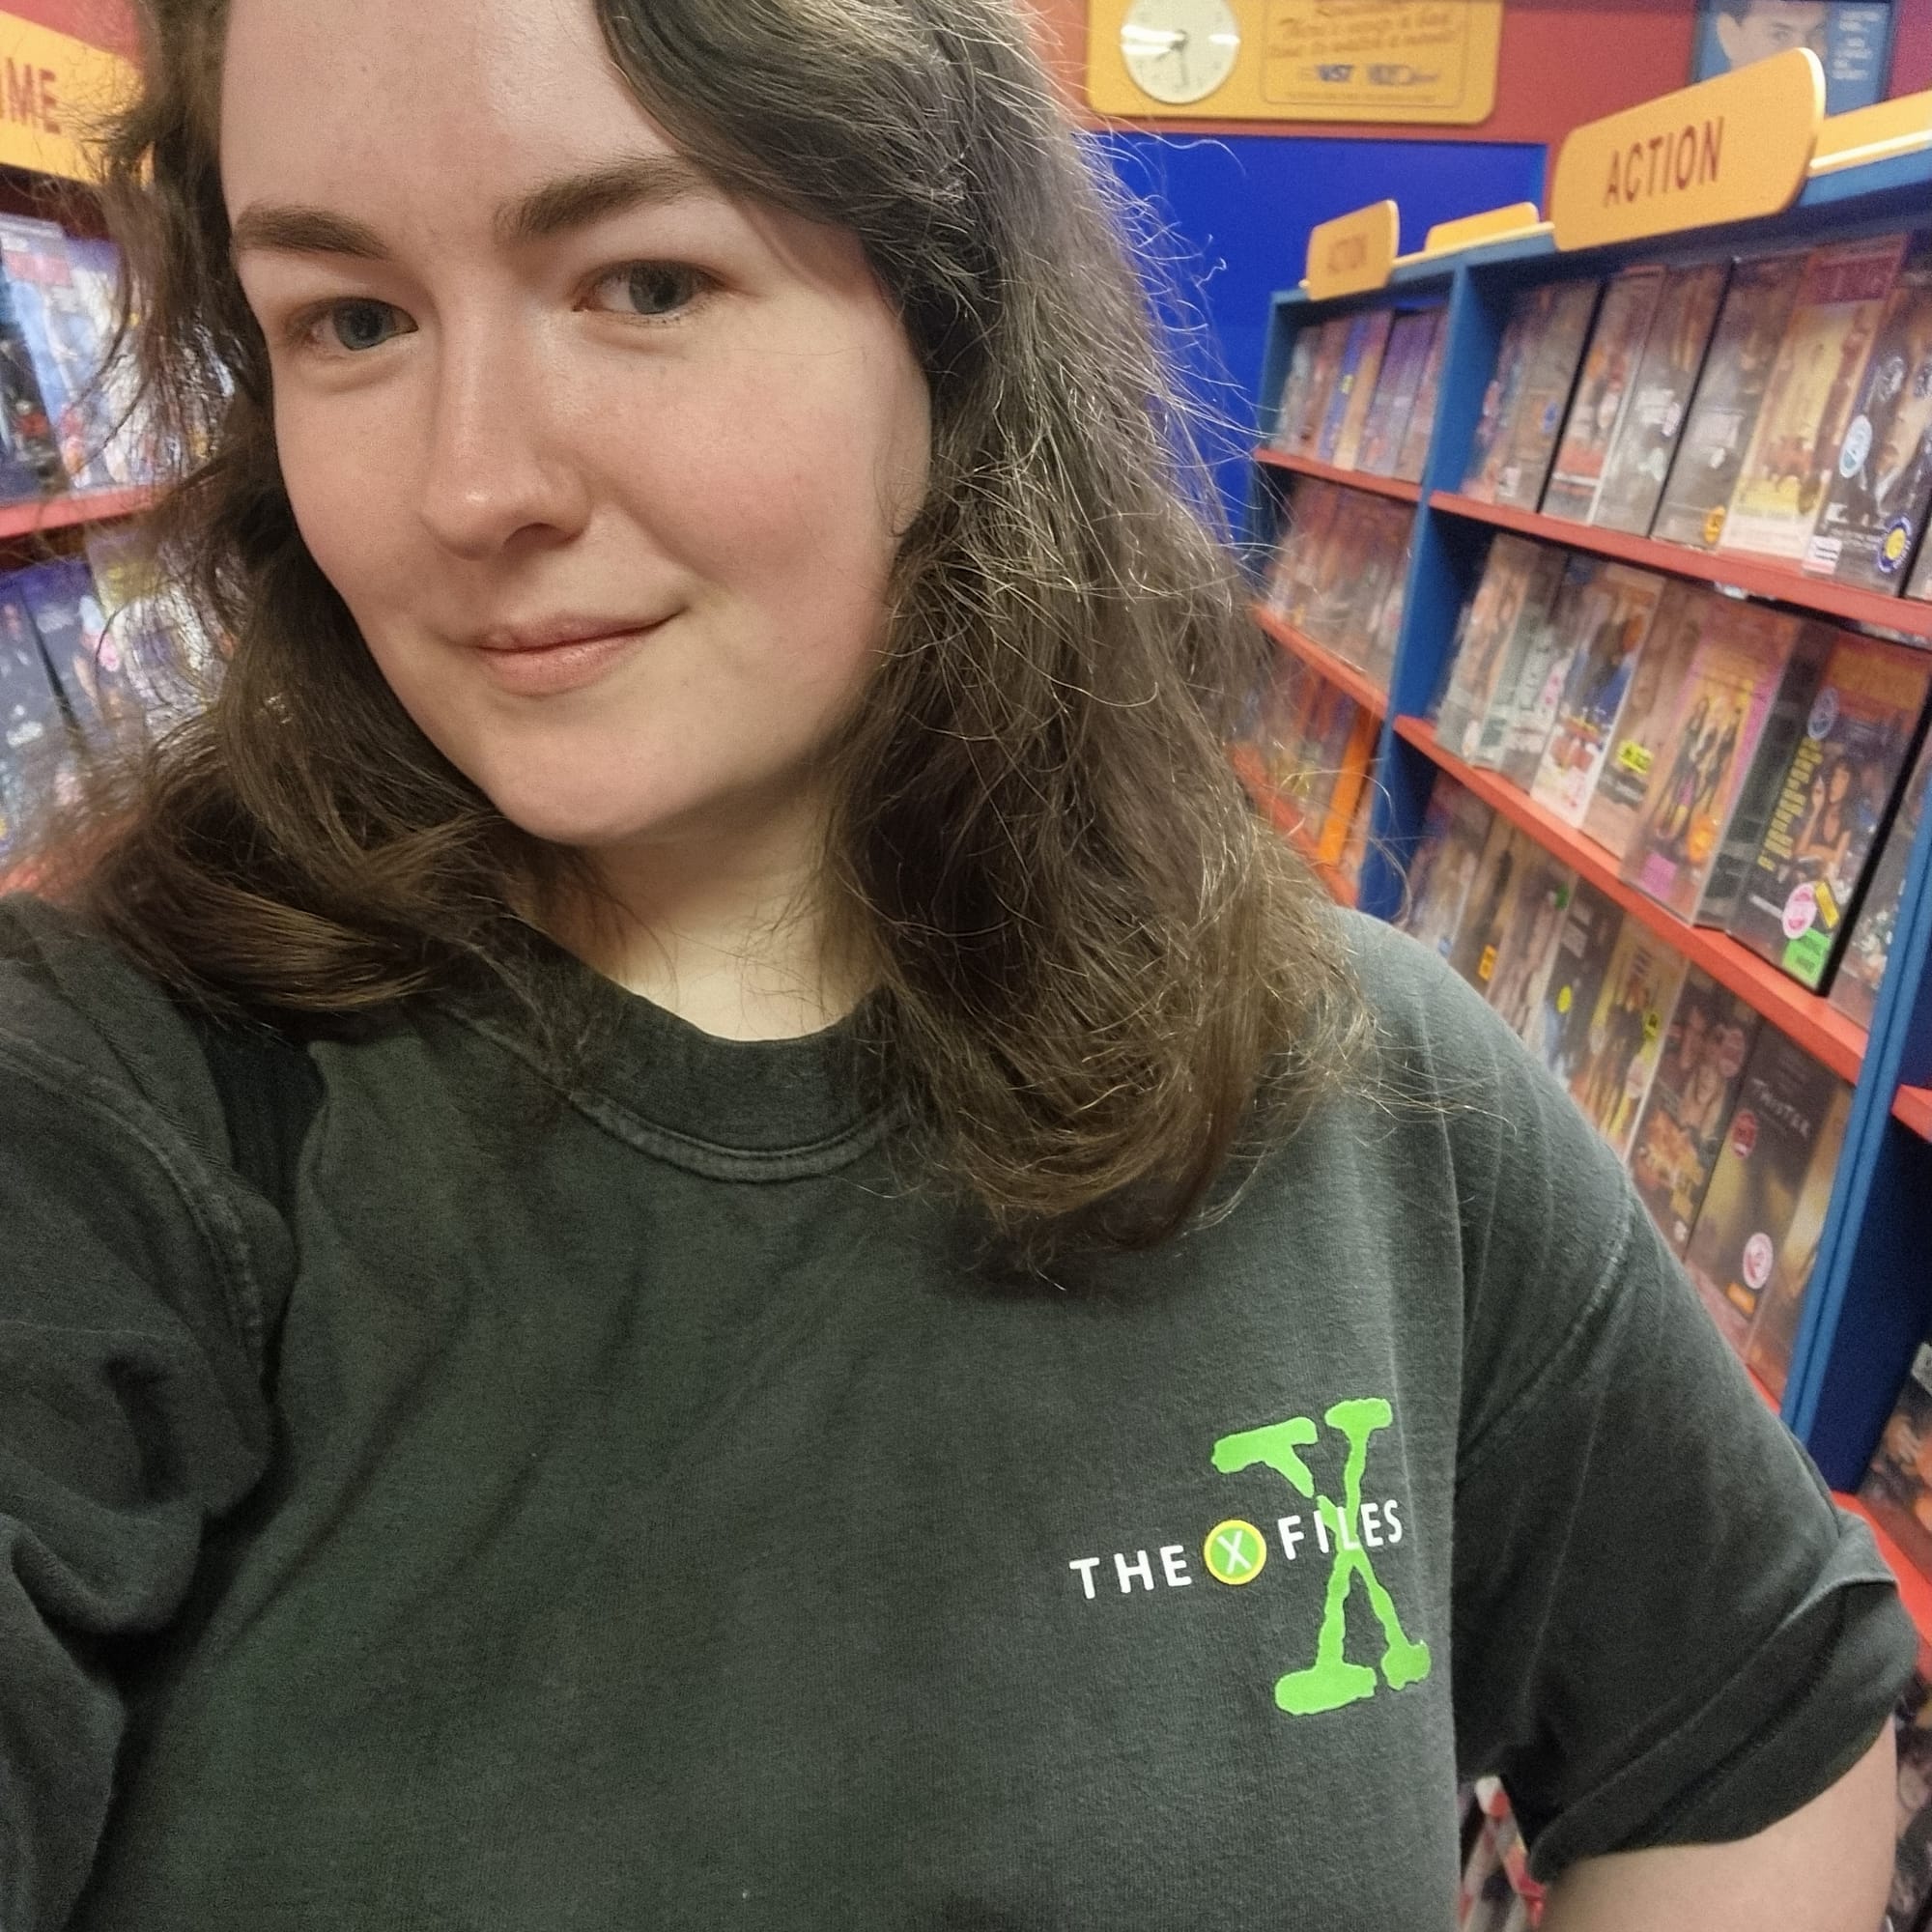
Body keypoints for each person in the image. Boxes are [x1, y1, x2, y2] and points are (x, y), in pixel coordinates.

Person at [0, 0, 1912, 1927]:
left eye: (644, 281)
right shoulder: (104, 1102)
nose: (470, 485)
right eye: (351, 320)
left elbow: (1765, 1727)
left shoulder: (1372, 1096)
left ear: (949, 330)